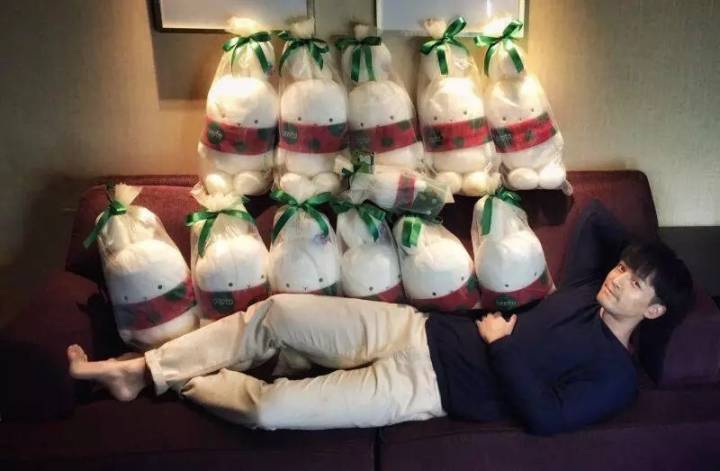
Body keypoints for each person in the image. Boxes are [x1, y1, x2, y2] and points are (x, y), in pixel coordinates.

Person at [67, 200, 694, 435]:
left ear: (656, 309)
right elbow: (595, 218)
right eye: (622, 268)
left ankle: (174, 378)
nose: (618, 278)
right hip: (413, 328)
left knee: (270, 410)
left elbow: (547, 417)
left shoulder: (615, 377)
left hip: (424, 389)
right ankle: (138, 370)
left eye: (636, 283)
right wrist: (648, 256)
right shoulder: (586, 288)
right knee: (277, 311)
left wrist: (502, 345)